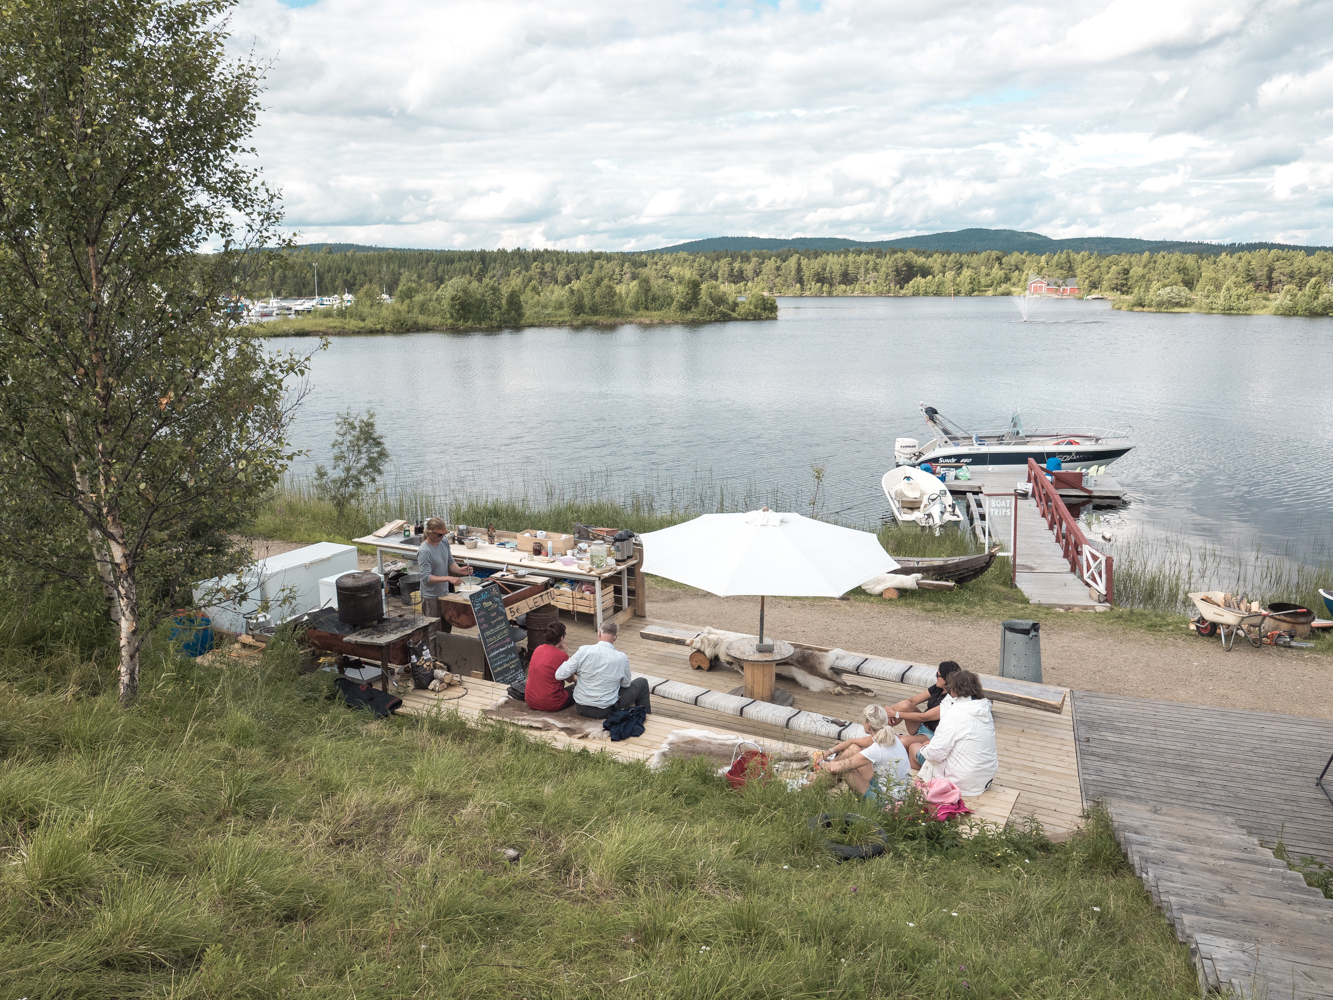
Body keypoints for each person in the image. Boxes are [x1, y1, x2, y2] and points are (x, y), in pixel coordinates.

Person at [914, 669, 998, 797]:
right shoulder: (983, 710)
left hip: (962, 783)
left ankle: (918, 794)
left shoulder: (954, 714)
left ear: (954, 689)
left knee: (914, 748)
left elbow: (935, 755)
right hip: (984, 778)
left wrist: (925, 747)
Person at [555, 621, 651, 718]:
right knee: (642, 683)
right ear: (615, 638)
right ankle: (646, 717)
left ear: (599, 633)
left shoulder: (584, 650)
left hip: (581, 708)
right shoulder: (621, 658)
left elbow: (559, 674)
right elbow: (625, 684)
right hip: (606, 710)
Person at [818, 705, 911, 801]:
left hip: (886, 801)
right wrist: (830, 751)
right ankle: (816, 781)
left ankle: (814, 786)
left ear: (868, 725)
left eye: (864, 721)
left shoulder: (876, 750)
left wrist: (821, 762)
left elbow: (833, 768)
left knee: (844, 769)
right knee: (853, 749)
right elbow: (852, 741)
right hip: (897, 791)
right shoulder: (890, 736)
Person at [886, 660, 960, 763]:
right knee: (905, 704)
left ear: (947, 679)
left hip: (931, 734)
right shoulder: (937, 688)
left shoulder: (951, 699)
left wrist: (896, 714)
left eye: (938, 675)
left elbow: (925, 717)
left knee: (901, 741)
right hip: (921, 725)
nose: (935, 677)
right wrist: (889, 711)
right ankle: (878, 724)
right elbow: (913, 700)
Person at [417, 517, 473, 632]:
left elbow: (449, 561)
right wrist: (449, 578)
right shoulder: (424, 551)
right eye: (439, 535)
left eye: (444, 534)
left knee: (447, 628)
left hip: (445, 594)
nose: (442, 537)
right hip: (431, 597)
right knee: (433, 632)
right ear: (430, 533)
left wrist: (459, 570)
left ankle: (444, 650)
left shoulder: (443, 542)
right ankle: (433, 651)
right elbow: (426, 578)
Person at [507, 621, 573, 712]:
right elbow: (569, 679)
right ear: (561, 638)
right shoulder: (562, 656)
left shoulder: (538, 649)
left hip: (530, 700)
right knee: (576, 689)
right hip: (552, 703)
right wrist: (565, 655)